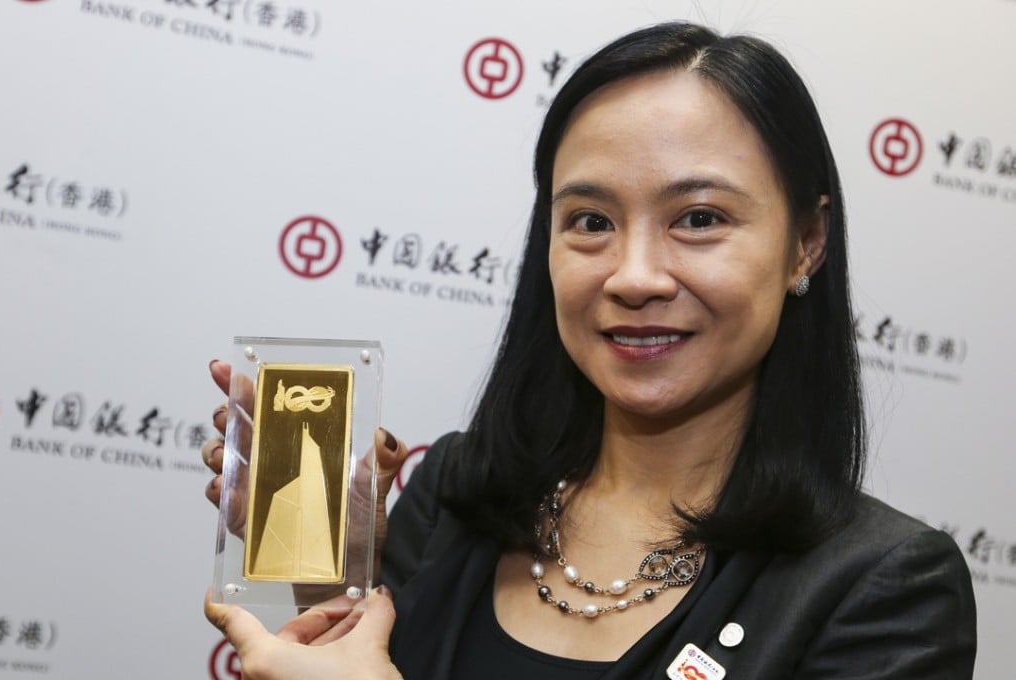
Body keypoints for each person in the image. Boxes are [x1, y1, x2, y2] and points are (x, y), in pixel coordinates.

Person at [202, 21, 977, 679]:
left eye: (700, 218)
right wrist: (327, 577)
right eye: (591, 221)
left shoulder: (884, 587)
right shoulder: (454, 494)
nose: (634, 277)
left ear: (806, 243)